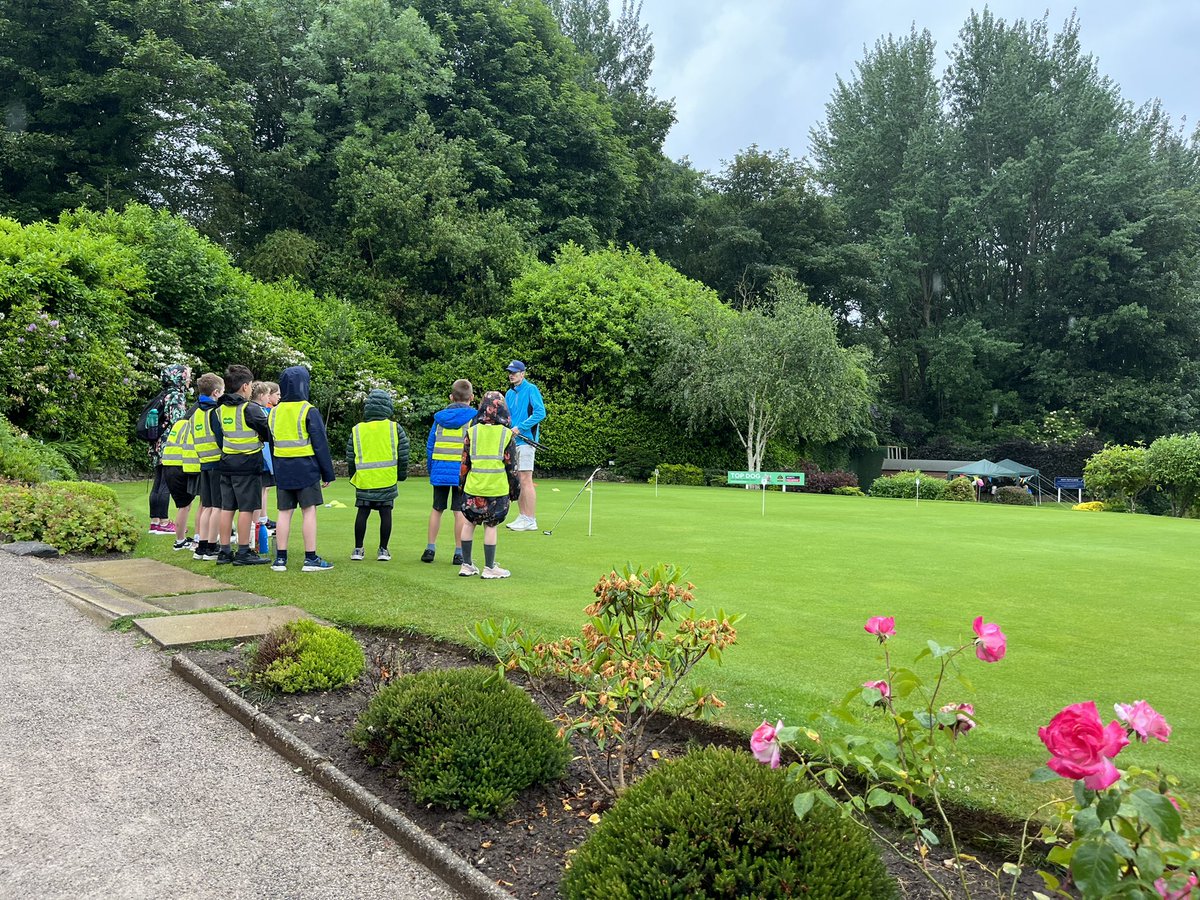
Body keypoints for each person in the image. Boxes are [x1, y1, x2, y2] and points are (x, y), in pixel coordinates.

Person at [269, 365, 336, 572]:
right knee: (309, 512)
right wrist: (328, 472)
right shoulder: (308, 410)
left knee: (284, 512)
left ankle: (280, 559)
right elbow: (320, 444)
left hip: (282, 468)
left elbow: (272, 444)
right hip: (306, 468)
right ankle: (310, 558)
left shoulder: (274, 412)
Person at [214, 365, 272, 566]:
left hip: (227, 462)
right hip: (247, 464)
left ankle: (224, 551)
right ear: (246, 386)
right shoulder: (250, 409)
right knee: (246, 508)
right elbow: (267, 432)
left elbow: (218, 435)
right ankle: (244, 551)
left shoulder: (220, 409)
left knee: (227, 507)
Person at [458, 391, 519, 579]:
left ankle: (466, 564)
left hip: (473, 487)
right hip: (497, 489)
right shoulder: (506, 434)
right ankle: (489, 567)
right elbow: (512, 467)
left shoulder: (472, 431)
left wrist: (461, 486)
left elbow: (464, 463)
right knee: (490, 526)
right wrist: (515, 491)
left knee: (469, 523)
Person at [346, 389, 409, 561]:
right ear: (388, 406)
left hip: (365, 480)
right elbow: (403, 454)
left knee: (362, 513)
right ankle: (383, 549)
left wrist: (354, 477)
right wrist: (401, 475)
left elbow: (351, 457)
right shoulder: (395, 428)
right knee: (386, 514)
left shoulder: (358, 429)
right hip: (387, 479)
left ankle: (358, 549)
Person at [423, 379, 476, 565]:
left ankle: (430, 548)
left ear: (451, 397)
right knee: (458, 511)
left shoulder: (439, 419)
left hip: (440, 469)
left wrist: (432, 469)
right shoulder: (473, 419)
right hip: (461, 472)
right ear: (472, 397)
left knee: (437, 509)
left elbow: (431, 445)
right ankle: (459, 552)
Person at [147, 364, 192, 534]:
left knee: (158, 482)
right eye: (186, 376)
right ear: (178, 377)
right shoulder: (176, 396)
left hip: (157, 443)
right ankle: (165, 522)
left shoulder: (163, 395)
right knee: (166, 483)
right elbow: (178, 421)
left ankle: (155, 521)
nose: (189, 379)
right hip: (169, 445)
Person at [503, 360, 544, 533]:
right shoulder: (509, 394)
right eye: (510, 372)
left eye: (515, 372)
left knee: (526, 479)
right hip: (513, 442)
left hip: (526, 441)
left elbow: (540, 412)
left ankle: (531, 519)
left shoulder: (531, 389)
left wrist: (520, 428)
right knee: (518, 480)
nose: (511, 375)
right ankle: (522, 516)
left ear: (523, 373)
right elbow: (507, 417)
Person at [158, 396, 200, 552]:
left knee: (183, 506)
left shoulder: (179, 424)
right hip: (182, 466)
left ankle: (180, 540)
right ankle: (188, 539)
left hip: (168, 465)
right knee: (189, 506)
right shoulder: (193, 424)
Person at [190, 373, 224, 561]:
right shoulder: (215, 412)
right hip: (217, 462)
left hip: (203, 462)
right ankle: (212, 546)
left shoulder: (196, 413)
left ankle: (201, 546)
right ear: (217, 393)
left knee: (207, 506)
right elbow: (220, 438)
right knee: (217, 506)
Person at [249, 381, 279, 553]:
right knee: (259, 492)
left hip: (260, 458)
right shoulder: (259, 411)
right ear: (261, 395)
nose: (270, 398)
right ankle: (257, 527)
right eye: (269, 394)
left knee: (262, 491)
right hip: (261, 459)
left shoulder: (256, 410)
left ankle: (260, 524)